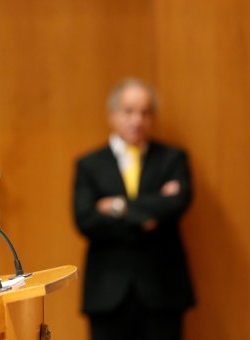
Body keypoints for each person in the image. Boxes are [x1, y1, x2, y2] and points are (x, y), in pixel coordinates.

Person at [73, 78, 195, 340]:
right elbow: (85, 220)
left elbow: (177, 203)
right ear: (113, 115)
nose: (137, 120)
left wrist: (116, 206)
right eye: (128, 111)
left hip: (163, 289)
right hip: (107, 292)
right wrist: (149, 212)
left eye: (145, 112)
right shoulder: (89, 165)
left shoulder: (172, 159)